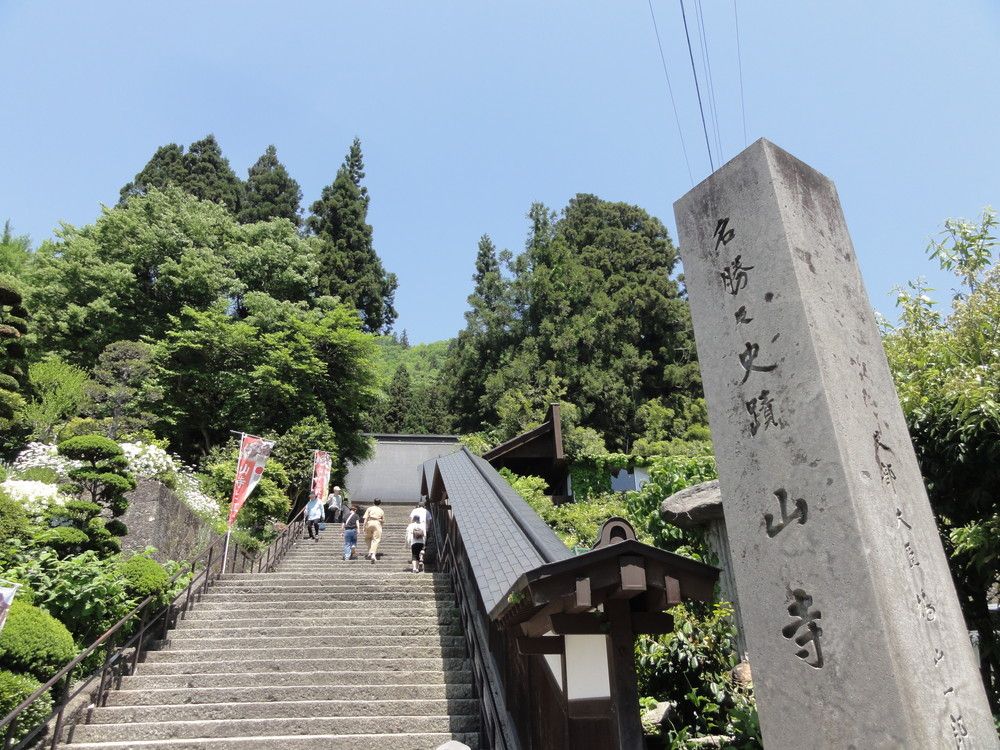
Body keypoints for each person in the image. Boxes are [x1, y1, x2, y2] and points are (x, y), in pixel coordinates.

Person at [362, 498, 386, 563]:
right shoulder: (381, 510)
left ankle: (370, 552)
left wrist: (364, 526)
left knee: (367, 538)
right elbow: (383, 520)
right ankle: (373, 554)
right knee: (376, 540)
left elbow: (365, 518)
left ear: (373, 502)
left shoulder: (369, 509)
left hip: (369, 523)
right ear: (380, 503)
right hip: (377, 524)